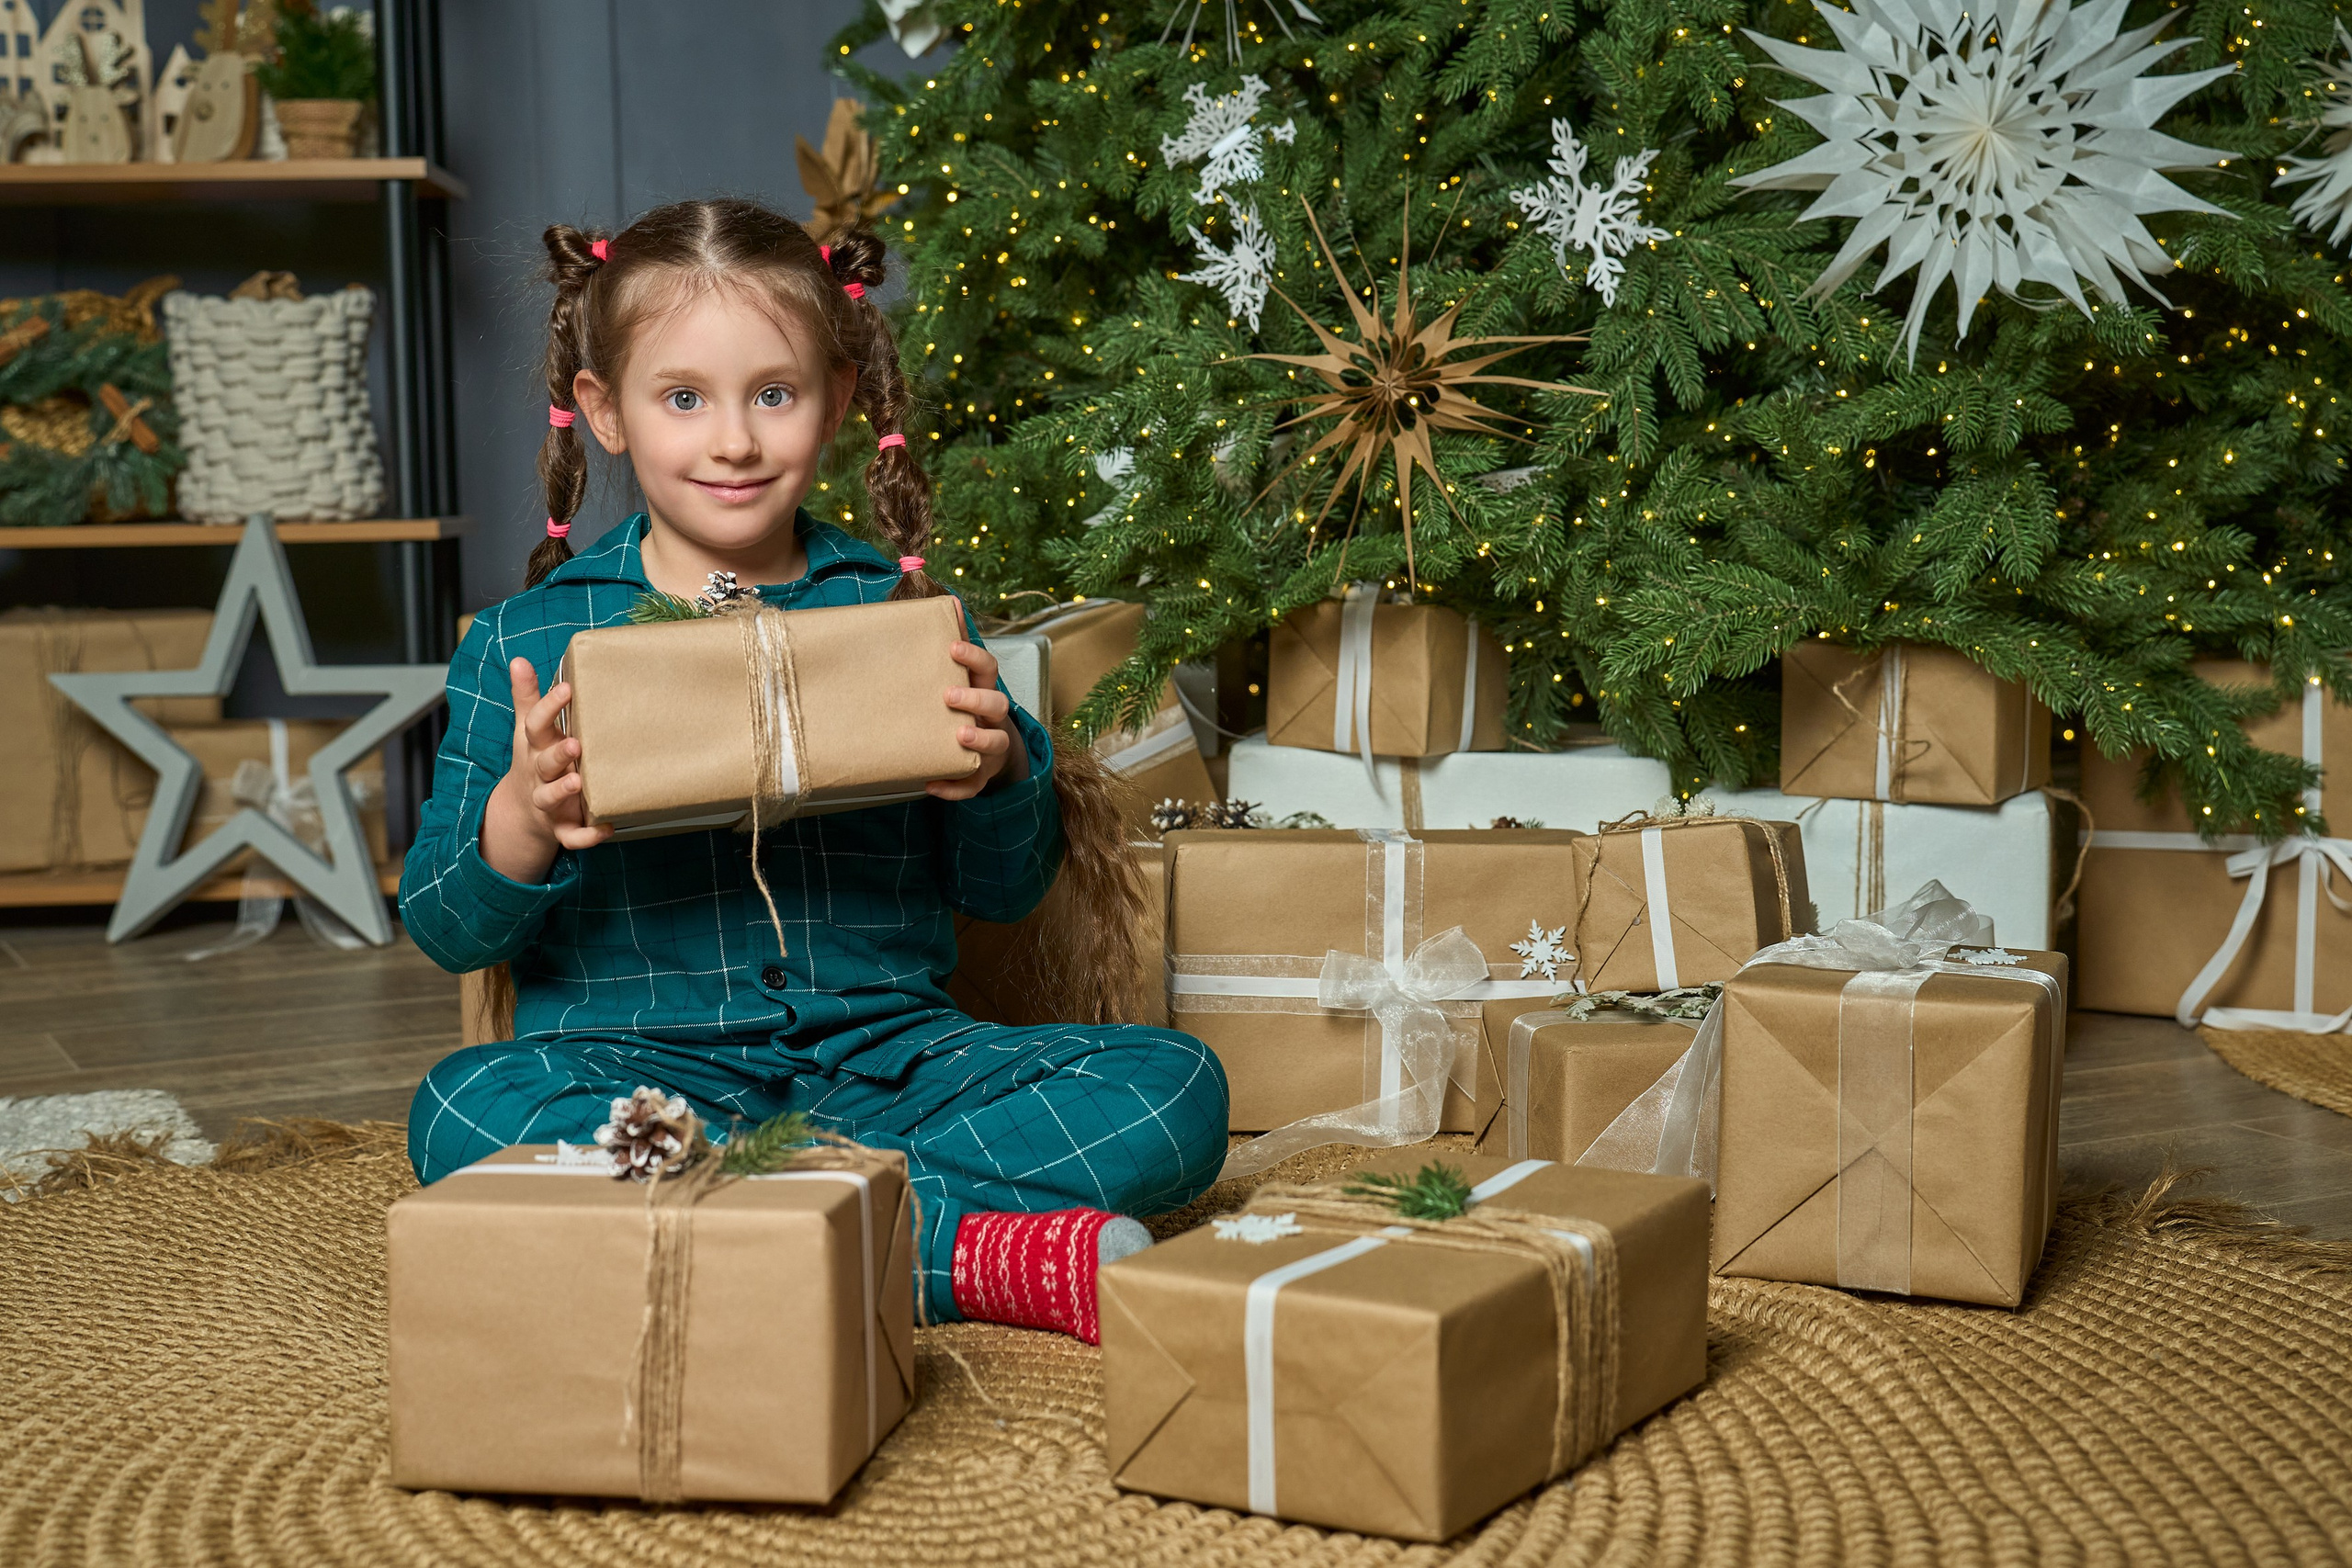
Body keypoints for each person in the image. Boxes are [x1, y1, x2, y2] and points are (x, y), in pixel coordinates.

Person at [398, 198, 1227, 1344]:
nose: (732, 441)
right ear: (605, 412)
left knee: (1174, 1093)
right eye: (682, 399)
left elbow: (1002, 892)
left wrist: (998, 775)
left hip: (892, 1065)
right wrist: (520, 817)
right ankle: (961, 1252)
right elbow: (447, 927)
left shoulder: (899, 611)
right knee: (459, 1115)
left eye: (772, 395)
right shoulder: (522, 643)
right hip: (635, 1073)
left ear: (838, 399)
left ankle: (735, 1236)